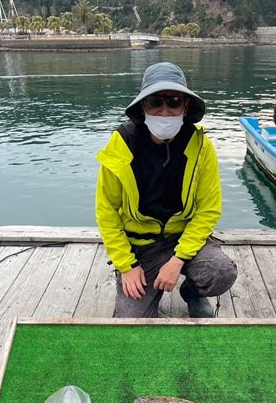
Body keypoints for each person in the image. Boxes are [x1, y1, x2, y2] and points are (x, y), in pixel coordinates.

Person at [95, 62, 237, 318]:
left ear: (186, 108)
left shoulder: (201, 146)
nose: (165, 111)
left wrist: (178, 259)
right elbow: (106, 212)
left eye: (173, 101)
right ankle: (140, 282)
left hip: (183, 237)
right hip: (141, 246)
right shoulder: (121, 144)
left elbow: (208, 210)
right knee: (131, 321)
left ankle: (192, 292)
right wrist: (127, 266)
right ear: (142, 107)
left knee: (220, 272)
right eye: (155, 102)